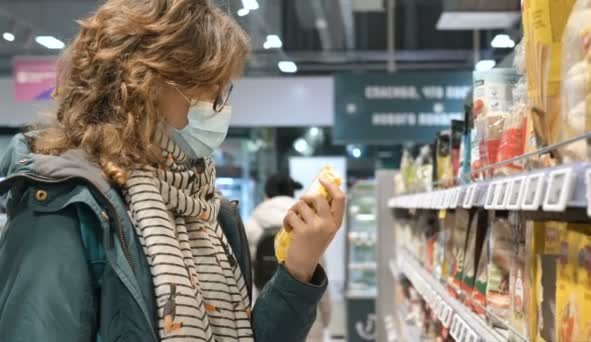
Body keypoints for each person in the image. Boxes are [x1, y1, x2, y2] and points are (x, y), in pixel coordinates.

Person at [0, 1, 345, 341]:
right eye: (212, 88)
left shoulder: (208, 211)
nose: (220, 106)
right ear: (147, 84)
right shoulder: (65, 211)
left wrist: (299, 268)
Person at [246, 175, 332, 342]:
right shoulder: (309, 227)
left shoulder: (249, 227)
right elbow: (321, 273)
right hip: (307, 315)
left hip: (263, 315)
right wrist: (327, 316)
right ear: (293, 193)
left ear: (266, 195)